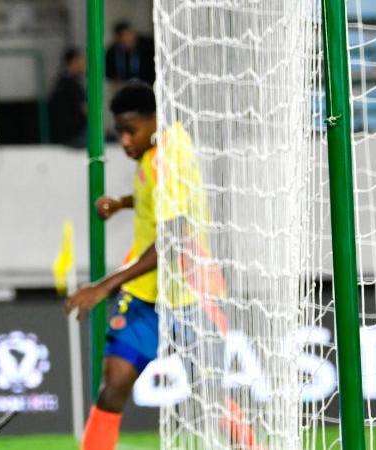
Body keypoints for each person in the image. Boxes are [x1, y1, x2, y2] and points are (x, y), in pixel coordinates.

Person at [65, 82, 249, 450]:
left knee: (213, 400)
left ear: (155, 121)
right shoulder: (151, 155)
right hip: (148, 295)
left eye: (132, 130)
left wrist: (104, 285)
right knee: (114, 382)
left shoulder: (172, 156)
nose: (126, 141)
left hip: (191, 295)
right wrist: (122, 203)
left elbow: (172, 239)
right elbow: (158, 201)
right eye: (120, 132)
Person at [48, 47, 87, 147]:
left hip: (60, 135)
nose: (84, 65)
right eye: (82, 62)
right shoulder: (72, 84)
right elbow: (86, 110)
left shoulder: (60, 82)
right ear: (74, 62)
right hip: (74, 136)